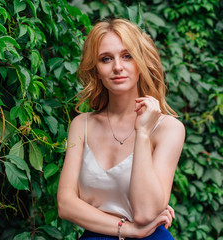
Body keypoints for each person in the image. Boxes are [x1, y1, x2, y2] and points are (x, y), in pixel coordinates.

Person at [57, 18, 185, 239]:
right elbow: (66, 205)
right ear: (96, 70)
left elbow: (146, 213)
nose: (118, 67)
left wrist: (143, 133)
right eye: (106, 59)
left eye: (127, 56)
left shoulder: (168, 129)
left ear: (140, 62)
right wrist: (126, 229)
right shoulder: (81, 125)